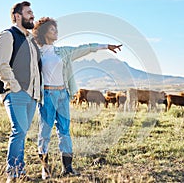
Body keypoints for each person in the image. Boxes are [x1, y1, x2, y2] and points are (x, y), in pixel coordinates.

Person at [32, 17, 122, 179]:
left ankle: (67, 167)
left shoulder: (63, 51)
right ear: (44, 32)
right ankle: (45, 168)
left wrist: (105, 46)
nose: (56, 32)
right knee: (45, 132)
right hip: (47, 95)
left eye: (55, 29)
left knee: (64, 131)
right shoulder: (36, 53)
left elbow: (84, 48)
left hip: (63, 95)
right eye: (52, 29)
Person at [0, 1, 41, 182]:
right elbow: (2, 65)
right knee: (18, 132)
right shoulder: (7, 35)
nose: (32, 16)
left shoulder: (31, 41)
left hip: (31, 95)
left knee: (22, 133)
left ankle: (19, 173)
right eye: (29, 12)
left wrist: (36, 92)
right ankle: (13, 175)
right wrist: (15, 87)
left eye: (32, 12)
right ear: (17, 16)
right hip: (16, 92)